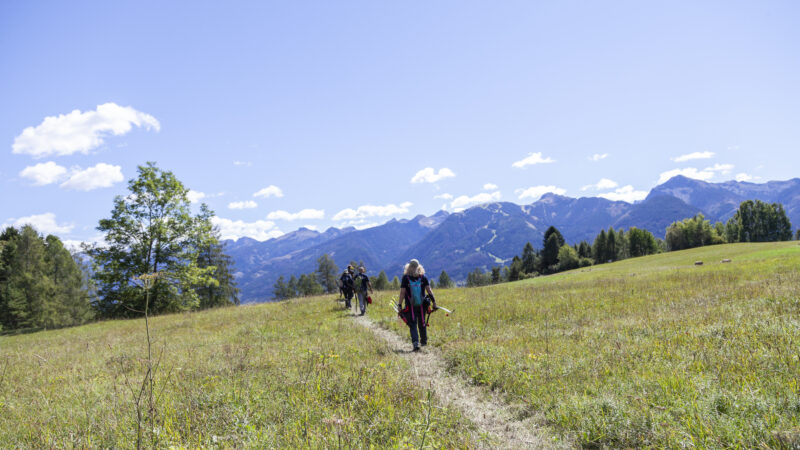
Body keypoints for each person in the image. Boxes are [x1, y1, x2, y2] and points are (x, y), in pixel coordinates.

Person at [398, 259, 436, 351]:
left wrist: (399, 304)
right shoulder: (423, 277)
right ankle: (423, 342)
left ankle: (415, 343)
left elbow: (402, 292)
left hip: (410, 305)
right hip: (422, 304)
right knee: (422, 322)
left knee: (413, 323)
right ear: (419, 267)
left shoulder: (405, 278)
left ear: (409, 266)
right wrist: (434, 302)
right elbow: (429, 291)